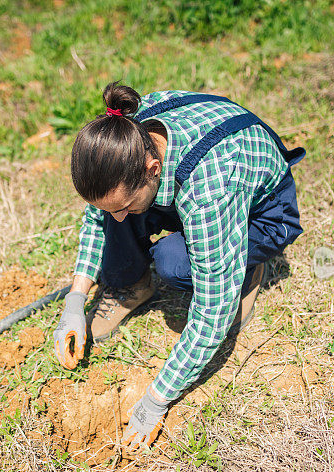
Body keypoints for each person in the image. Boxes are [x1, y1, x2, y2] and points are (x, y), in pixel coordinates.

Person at [52, 82, 304, 451]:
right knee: (117, 215)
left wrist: (156, 400)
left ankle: (247, 269)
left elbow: (211, 314)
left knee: (173, 262)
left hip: (262, 214)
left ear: (153, 168)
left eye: (123, 202)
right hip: (182, 187)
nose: (116, 216)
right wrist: (75, 300)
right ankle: (131, 284)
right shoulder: (126, 135)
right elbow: (99, 217)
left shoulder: (210, 188)